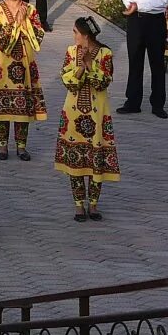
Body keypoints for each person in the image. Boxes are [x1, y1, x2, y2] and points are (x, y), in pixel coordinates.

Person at [54, 15, 119, 221]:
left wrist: (91, 66)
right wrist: (81, 67)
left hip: (97, 113)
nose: (73, 36)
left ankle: (94, 205)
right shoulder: (70, 52)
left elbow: (103, 82)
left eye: (75, 32)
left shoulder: (106, 53)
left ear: (85, 35)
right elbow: (69, 82)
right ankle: (78, 205)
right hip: (73, 112)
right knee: (76, 159)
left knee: (95, 158)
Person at [0, 0, 47, 160]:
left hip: (24, 60)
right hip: (2, 60)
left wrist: (24, 21)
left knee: (23, 103)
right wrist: (15, 25)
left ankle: (21, 146)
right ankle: (2, 146)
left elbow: (38, 33)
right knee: (2, 103)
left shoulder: (30, 9)